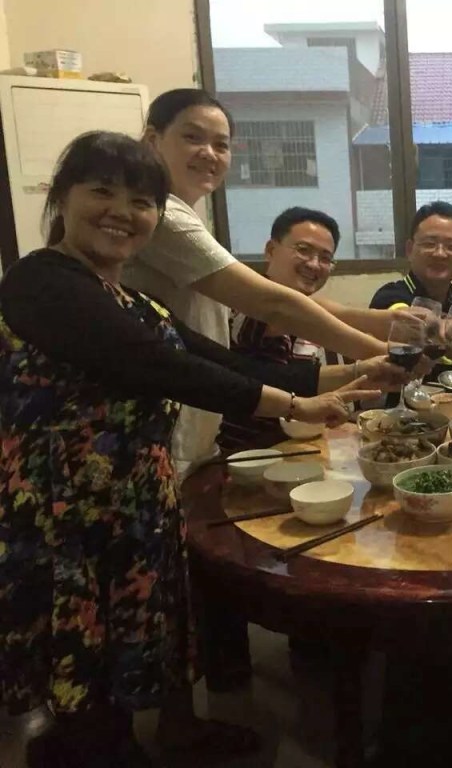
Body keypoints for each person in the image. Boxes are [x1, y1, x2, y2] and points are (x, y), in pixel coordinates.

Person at [0, 132, 380, 767]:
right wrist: (295, 407)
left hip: (135, 499)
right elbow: (170, 370)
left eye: (142, 202)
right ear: (62, 197)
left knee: (135, 643)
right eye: (101, 192)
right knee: (83, 669)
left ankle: (162, 738)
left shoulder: (129, 298)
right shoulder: (40, 281)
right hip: (64, 509)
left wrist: (358, 374)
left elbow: (226, 363)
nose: (122, 212)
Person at [122, 89, 407, 473]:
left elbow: (306, 312)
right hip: (165, 428)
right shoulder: (163, 216)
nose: (209, 153)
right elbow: (275, 306)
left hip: (193, 424)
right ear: (153, 140)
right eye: (193, 137)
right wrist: (381, 354)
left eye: (221, 145)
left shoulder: (183, 215)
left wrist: (389, 333)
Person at [220, 206, 397, 450]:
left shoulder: (307, 315)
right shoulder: (249, 308)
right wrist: (381, 351)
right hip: (246, 456)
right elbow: (283, 310)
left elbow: (305, 381)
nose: (314, 264)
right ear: (271, 250)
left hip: (298, 449)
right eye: (303, 250)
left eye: (325, 258)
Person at [370, 200, 452, 400]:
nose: (440, 253)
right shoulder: (390, 296)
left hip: (451, 414)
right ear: (409, 249)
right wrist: (443, 329)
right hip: (397, 412)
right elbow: (404, 321)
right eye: (429, 244)